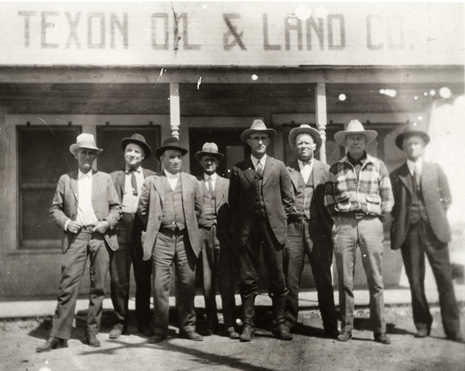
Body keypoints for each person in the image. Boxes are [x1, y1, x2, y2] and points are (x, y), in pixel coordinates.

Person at [36, 133, 121, 352]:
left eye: (91, 153)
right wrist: (66, 223)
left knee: (98, 287)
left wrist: (106, 224)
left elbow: (116, 208)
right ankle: (58, 336)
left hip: (100, 236)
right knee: (67, 287)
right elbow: (55, 208)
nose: (87, 156)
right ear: (76, 154)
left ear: (95, 156)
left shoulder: (105, 179)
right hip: (76, 237)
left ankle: (91, 332)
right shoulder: (66, 179)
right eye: (83, 152)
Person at [390, 125, 464, 343]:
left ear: (422, 147)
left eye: (416, 144)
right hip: (410, 233)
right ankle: (422, 324)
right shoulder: (397, 174)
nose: (413, 147)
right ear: (404, 148)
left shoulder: (435, 170)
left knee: (445, 280)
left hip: (435, 231)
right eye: (409, 144)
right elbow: (394, 205)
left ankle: (453, 329)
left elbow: (447, 198)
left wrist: (435, 215)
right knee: (415, 280)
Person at [324, 120, 393, 345]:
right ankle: (346, 328)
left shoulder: (378, 165)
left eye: (359, 138)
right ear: (345, 142)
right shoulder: (335, 168)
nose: (355, 141)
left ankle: (380, 329)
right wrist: (340, 220)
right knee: (345, 280)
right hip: (344, 225)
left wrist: (378, 220)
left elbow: (387, 198)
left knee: (376, 279)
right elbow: (328, 199)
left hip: (371, 224)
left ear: (365, 141)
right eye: (351, 138)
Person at [229, 119, 294, 342]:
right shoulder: (239, 169)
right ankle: (248, 325)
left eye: (263, 138)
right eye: (255, 138)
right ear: (249, 141)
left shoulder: (279, 167)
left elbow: (289, 199)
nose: (259, 141)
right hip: (247, 231)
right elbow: (233, 202)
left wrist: (276, 217)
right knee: (248, 279)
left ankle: (279, 323)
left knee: (278, 277)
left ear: (268, 141)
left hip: (273, 229)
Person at [137, 136, 203, 343]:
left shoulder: (191, 181)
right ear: (162, 160)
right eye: (171, 157)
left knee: (187, 283)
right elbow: (142, 210)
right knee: (160, 286)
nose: (175, 161)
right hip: (162, 239)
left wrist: (187, 224)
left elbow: (198, 209)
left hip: (185, 239)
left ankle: (188, 327)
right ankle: (161, 330)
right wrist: (157, 224)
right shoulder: (152, 182)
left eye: (178, 157)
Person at [284, 124, 338, 338]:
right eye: (300, 143)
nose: (303, 146)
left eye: (307, 142)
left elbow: (334, 201)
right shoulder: (286, 170)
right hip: (293, 229)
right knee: (290, 278)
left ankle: (330, 325)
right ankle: (289, 322)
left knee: (323, 279)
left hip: (318, 230)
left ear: (315, 146)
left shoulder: (326, 170)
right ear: (294, 148)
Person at [109, 134, 156, 339]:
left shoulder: (153, 176)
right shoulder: (114, 177)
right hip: (120, 228)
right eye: (129, 150)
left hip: (143, 229)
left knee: (143, 277)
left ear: (143, 155)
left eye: (137, 151)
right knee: (119, 278)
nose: (132, 154)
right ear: (124, 154)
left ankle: (143, 321)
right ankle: (120, 322)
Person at [195, 142, 239, 339]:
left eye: (213, 159)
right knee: (207, 281)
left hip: (223, 236)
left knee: (226, 280)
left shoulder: (227, 183)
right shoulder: (195, 184)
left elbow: (234, 210)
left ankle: (229, 324)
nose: (209, 162)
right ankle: (212, 322)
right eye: (206, 159)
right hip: (203, 234)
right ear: (201, 162)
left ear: (218, 162)